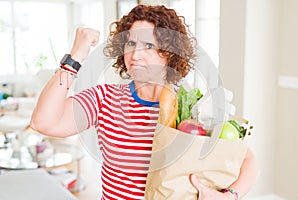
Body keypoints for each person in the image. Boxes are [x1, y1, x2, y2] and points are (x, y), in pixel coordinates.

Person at [30, 4, 258, 200]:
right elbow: (43, 122)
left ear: (169, 53)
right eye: (130, 44)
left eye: (149, 46)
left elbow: (246, 157)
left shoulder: (191, 108)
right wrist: (76, 56)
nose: (135, 55)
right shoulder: (104, 98)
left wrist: (230, 195)